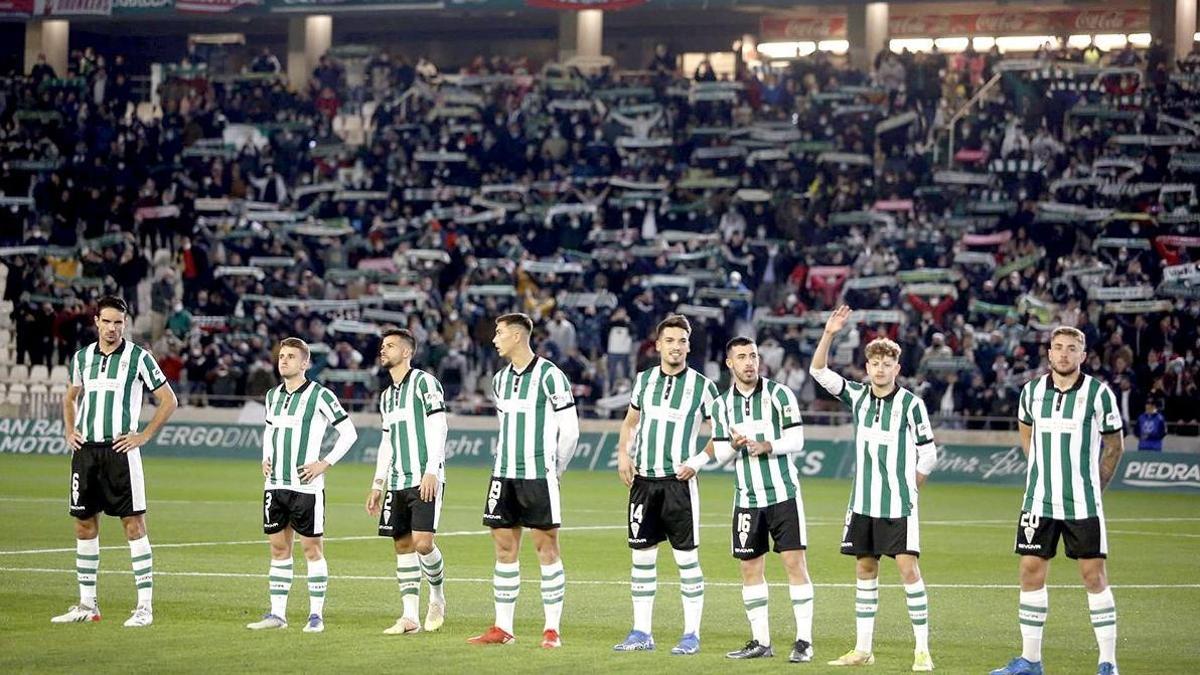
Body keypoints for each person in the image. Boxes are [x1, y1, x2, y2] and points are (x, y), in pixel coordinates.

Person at [990, 326, 1125, 675]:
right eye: (1058, 348)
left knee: (1093, 577)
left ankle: (1107, 662)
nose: (1064, 354)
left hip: (1082, 503)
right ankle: (1030, 661)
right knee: (1030, 572)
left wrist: (1095, 487)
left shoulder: (1099, 394)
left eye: (1072, 349)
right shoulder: (1031, 392)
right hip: (1038, 501)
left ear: (1083, 355)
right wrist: (1041, 471)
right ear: (1049, 353)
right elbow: (1026, 435)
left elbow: (1114, 446)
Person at [809, 305, 937, 672]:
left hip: (898, 504)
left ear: (898, 369)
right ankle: (863, 649)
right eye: (875, 363)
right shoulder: (858, 397)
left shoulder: (911, 405)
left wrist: (910, 489)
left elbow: (928, 455)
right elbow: (818, 371)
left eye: (887, 364)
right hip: (862, 503)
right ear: (867, 368)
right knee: (865, 569)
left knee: (908, 571)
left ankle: (922, 650)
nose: (880, 369)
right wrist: (830, 333)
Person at [686, 337, 815, 662]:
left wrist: (767, 445)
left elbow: (797, 438)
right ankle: (761, 641)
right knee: (749, 568)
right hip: (746, 498)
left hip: (783, 493)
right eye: (742, 357)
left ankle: (804, 642)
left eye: (753, 356)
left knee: (793, 564)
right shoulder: (720, 405)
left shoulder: (779, 394)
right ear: (729, 363)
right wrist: (736, 445)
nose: (749, 363)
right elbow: (721, 456)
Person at [53, 296, 178, 628]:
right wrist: (69, 430)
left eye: (118, 322)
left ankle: (144, 608)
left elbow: (168, 400)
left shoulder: (139, 358)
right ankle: (87, 604)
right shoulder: (82, 358)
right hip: (86, 453)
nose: (112, 328)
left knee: (133, 526)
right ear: (96, 321)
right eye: (107, 321)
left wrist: (144, 435)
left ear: (125, 324)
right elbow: (70, 396)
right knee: (83, 525)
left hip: (121, 451)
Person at [612, 315, 722, 655]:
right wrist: (623, 455)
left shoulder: (703, 386)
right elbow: (630, 423)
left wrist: (697, 462)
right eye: (670, 340)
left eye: (682, 341)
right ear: (658, 345)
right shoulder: (644, 381)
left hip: (678, 484)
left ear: (689, 346)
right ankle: (641, 632)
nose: (676, 346)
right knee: (642, 561)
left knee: (686, 561)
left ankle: (691, 635)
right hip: (643, 481)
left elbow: (722, 435)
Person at [468, 313, 579, 648]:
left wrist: (555, 469)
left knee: (546, 548)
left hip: (537, 474)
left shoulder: (551, 376)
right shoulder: (500, 380)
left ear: (517, 336)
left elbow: (570, 430)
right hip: (503, 474)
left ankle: (552, 629)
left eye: (499, 333)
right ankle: (503, 628)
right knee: (504, 548)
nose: (494, 338)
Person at [247, 338, 358, 633]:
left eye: (291, 357)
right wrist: (265, 458)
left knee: (311, 549)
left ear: (305, 363)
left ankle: (315, 616)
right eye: (281, 356)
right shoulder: (272, 395)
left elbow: (349, 432)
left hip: (306, 487)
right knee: (278, 549)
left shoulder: (320, 395)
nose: (284, 361)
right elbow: (269, 430)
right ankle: (277, 615)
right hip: (275, 485)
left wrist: (325, 463)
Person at [366, 328, 449, 635]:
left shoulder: (425, 382)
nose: (383, 350)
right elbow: (387, 441)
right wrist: (378, 483)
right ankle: (409, 617)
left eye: (389, 346)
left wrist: (431, 470)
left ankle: (438, 597)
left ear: (406, 352)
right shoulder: (387, 396)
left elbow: (439, 425)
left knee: (423, 543)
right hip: (397, 480)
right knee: (402, 545)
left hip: (424, 476)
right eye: (382, 346)